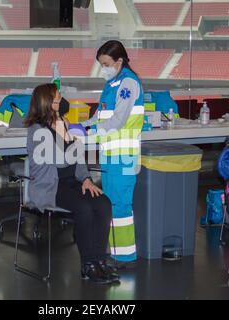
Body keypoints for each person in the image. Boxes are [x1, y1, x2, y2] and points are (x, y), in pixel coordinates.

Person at [25, 83, 119, 285]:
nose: (61, 100)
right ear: (46, 102)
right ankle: (88, 266)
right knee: (84, 208)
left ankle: (99, 260)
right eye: (57, 97)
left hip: (73, 181)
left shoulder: (63, 122)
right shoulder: (36, 131)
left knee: (103, 203)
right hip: (50, 185)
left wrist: (86, 179)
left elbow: (78, 157)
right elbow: (60, 160)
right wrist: (64, 133)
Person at [82, 40, 145, 266]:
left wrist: (90, 133)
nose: (104, 68)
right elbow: (100, 116)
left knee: (120, 205)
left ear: (119, 61)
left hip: (124, 155)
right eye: (101, 64)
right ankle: (117, 251)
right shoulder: (111, 84)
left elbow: (117, 120)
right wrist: (80, 127)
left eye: (106, 63)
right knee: (112, 203)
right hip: (111, 155)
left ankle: (124, 256)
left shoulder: (128, 83)